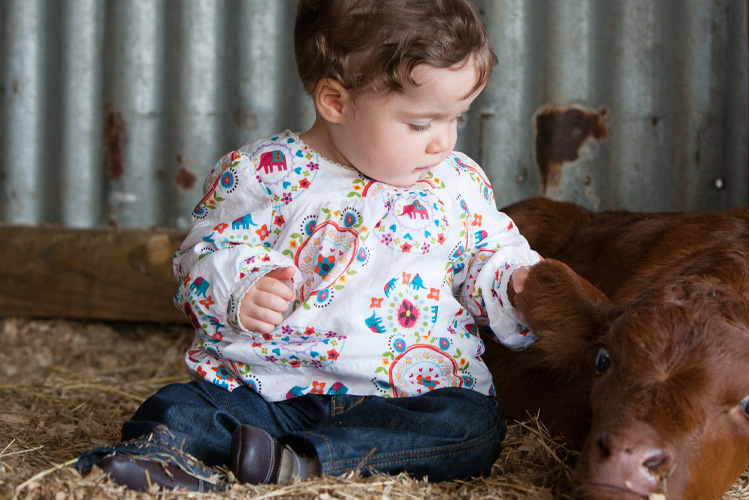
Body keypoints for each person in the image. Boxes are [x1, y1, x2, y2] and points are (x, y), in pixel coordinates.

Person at [76, 0, 541, 492]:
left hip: (406, 395)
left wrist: (513, 284)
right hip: (270, 392)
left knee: (471, 427)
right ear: (335, 102)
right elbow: (203, 255)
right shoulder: (263, 175)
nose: (442, 143)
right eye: (421, 124)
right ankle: (158, 457)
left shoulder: (459, 183)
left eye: (457, 119)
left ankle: (304, 463)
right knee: (183, 404)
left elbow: (486, 256)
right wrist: (243, 285)